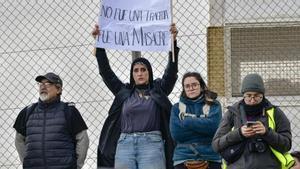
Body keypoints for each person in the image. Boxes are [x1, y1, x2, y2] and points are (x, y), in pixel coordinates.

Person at [92, 23, 179, 169]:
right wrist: (99, 44)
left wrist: (173, 41)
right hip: (125, 145)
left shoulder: (158, 90)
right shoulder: (124, 92)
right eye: (136, 70)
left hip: (152, 144)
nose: (140, 73)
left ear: (149, 72)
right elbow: (106, 72)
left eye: (143, 70)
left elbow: (171, 73)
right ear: (132, 74)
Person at [212, 73, 294, 169]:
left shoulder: (275, 112)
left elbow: (287, 145)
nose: (252, 100)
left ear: (262, 95)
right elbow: (216, 145)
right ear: (243, 95)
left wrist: (266, 133)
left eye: (257, 96)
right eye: (248, 95)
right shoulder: (232, 113)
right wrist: (239, 133)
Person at [13, 72, 89, 169]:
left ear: (58, 89)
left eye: (48, 84)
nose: (43, 87)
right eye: (41, 84)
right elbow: (19, 140)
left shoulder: (69, 111)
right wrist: (28, 164)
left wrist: (76, 166)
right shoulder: (27, 111)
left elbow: (83, 139)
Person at [170, 72, 222, 169]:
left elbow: (214, 128)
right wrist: (203, 125)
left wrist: (187, 121)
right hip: (183, 156)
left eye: (194, 85)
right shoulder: (176, 108)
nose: (191, 88)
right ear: (184, 89)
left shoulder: (214, 105)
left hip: (210, 156)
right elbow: (176, 134)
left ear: (201, 86)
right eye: (187, 86)